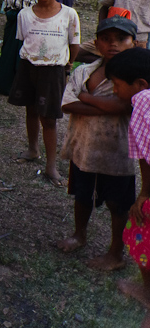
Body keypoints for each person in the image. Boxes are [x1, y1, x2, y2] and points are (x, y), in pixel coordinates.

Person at [57, 17, 137, 270]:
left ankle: (116, 253)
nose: (113, 44)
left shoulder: (138, 79)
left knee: (118, 204)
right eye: (106, 38)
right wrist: (108, 107)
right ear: (96, 42)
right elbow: (67, 104)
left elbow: (125, 106)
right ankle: (79, 234)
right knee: (82, 196)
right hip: (85, 148)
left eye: (121, 39)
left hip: (118, 153)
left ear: (134, 43)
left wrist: (86, 97)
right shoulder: (84, 71)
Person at [8, 0, 80, 187]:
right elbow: (23, 41)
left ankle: (51, 165)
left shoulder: (69, 14)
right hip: (28, 66)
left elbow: (74, 44)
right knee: (31, 109)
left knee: (48, 118)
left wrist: (67, 66)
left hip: (54, 70)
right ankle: (32, 149)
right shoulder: (24, 15)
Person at [105, 48, 150, 324]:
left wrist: (145, 193)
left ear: (140, 85)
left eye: (117, 84)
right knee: (142, 232)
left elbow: (148, 156)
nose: (113, 90)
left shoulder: (143, 100)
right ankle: (147, 292)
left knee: (143, 228)